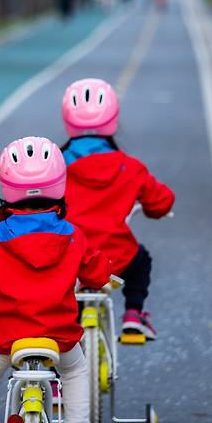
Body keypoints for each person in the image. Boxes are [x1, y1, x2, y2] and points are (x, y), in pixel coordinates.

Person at [0, 136, 111, 423]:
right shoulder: (73, 234)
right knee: (75, 371)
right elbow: (96, 274)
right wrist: (102, 272)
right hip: (59, 333)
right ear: (59, 183)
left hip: (7, 335)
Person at [60, 79, 175, 339]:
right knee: (141, 261)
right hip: (115, 257)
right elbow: (161, 203)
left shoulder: (55, 166)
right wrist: (152, 208)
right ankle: (134, 314)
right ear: (113, 118)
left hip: (70, 255)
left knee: (56, 286)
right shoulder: (129, 167)